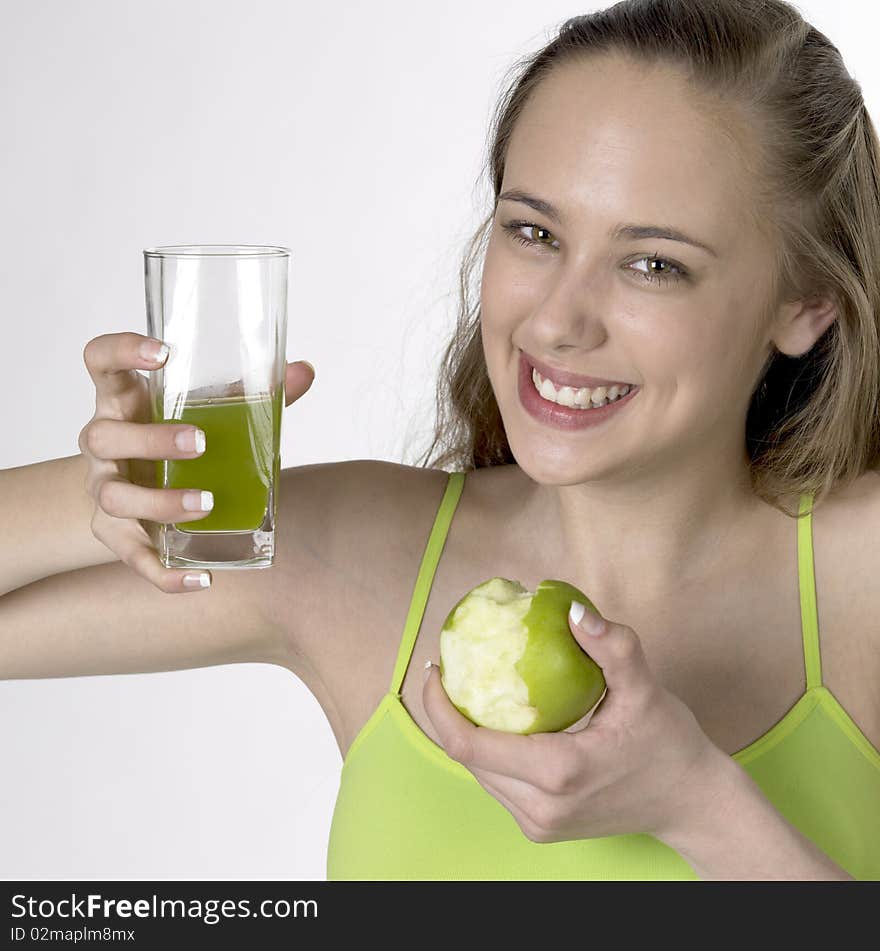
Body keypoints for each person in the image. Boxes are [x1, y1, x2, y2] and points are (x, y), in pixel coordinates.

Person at [2, 0, 879, 881]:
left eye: (654, 263)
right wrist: (106, 491)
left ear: (805, 304)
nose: (557, 320)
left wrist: (698, 803)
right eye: (534, 232)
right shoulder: (364, 553)